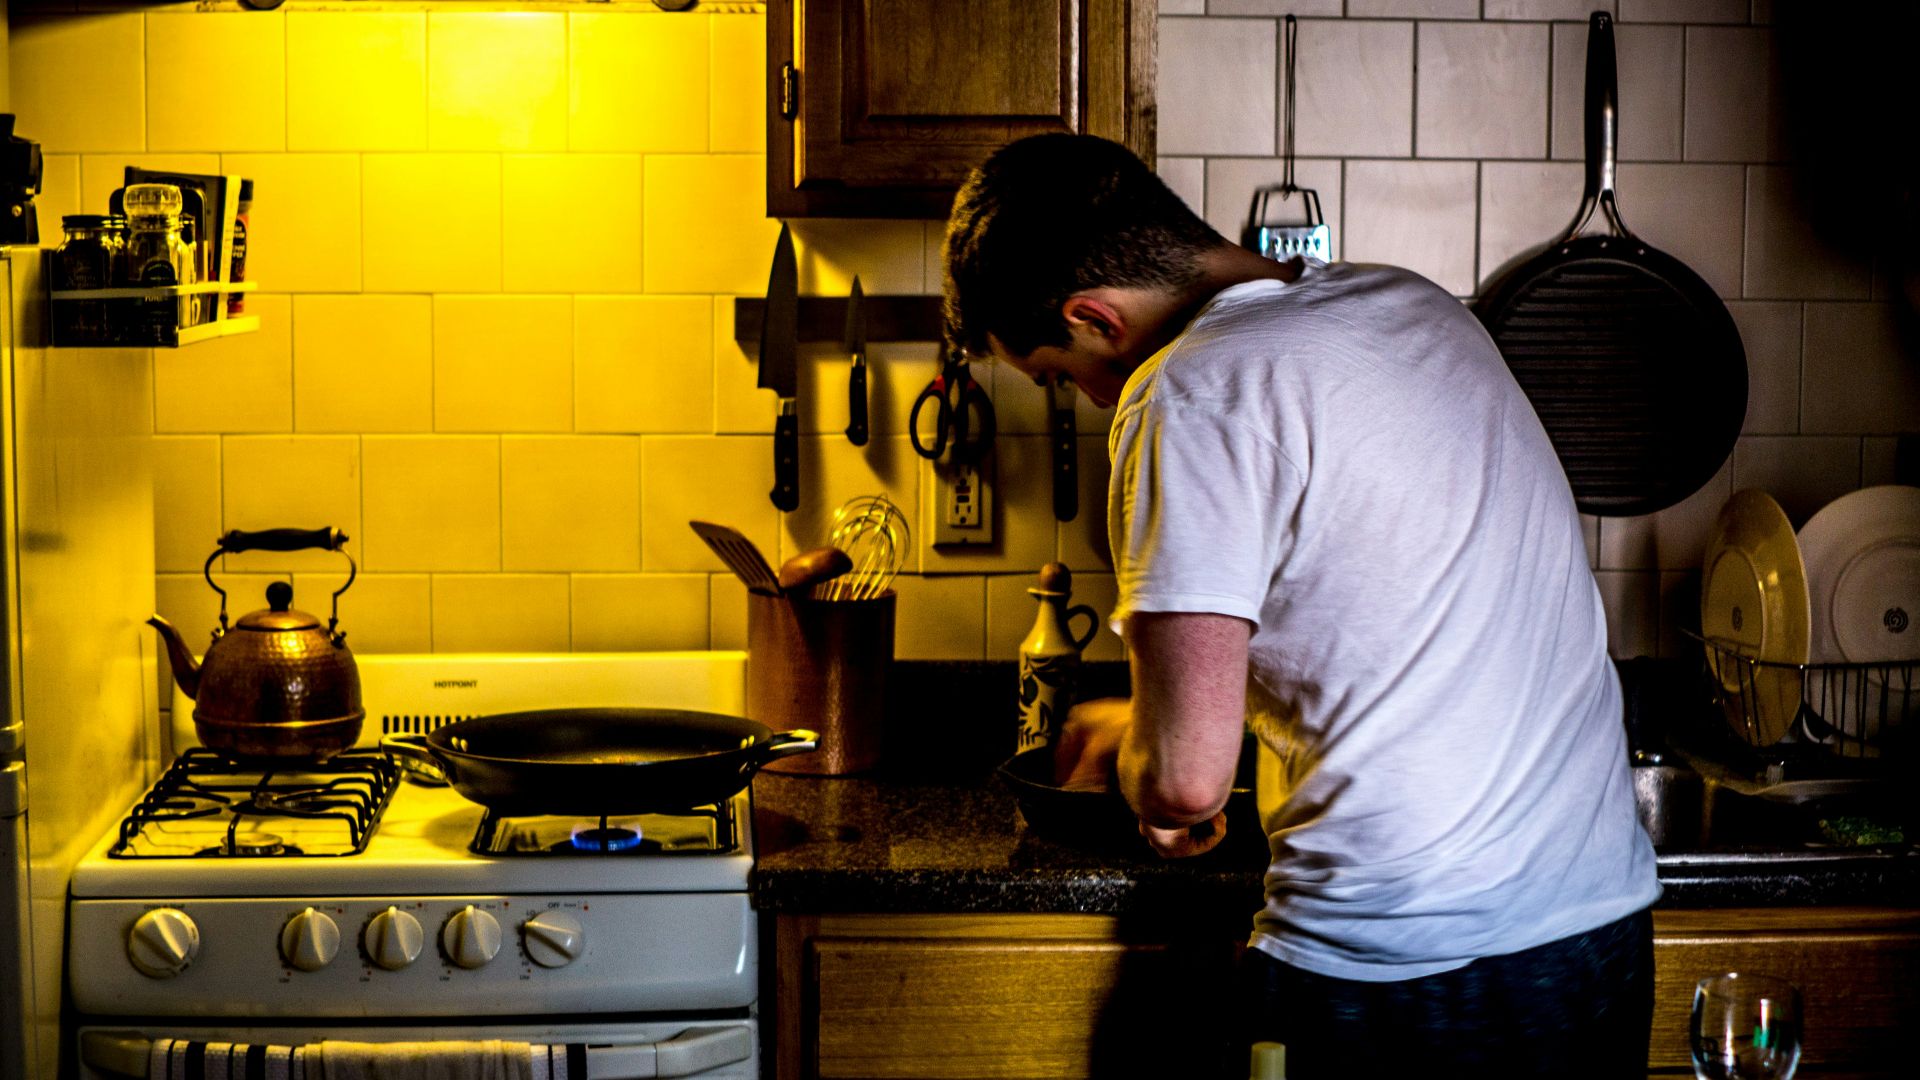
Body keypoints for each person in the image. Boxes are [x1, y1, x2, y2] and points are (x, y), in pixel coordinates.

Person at [941, 133, 1661, 1077]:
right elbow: (1388, 620)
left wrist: (1145, 760)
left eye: (1058, 376)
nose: (1083, 400)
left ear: (1094, 316)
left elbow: (1187, 786)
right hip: (1593, 934)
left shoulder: (1188, 392)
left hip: (1400, 965)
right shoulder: (1410, 305)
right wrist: (1160, 716)